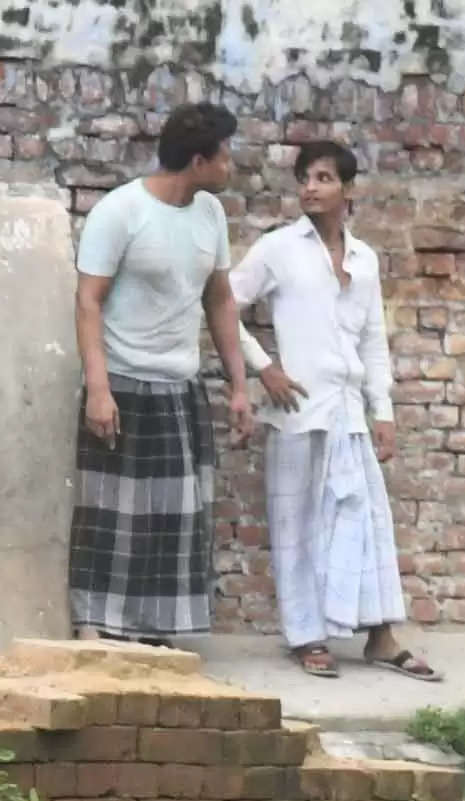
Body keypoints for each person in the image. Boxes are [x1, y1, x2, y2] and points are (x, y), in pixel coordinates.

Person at [72, 105, 280, 644]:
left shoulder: (209, 213)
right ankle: (98, 623)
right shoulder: (121, 212)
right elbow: (88, 301)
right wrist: (98, 388)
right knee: (113, 513)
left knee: (177, 516)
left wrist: (239, 386)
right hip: (122, 382)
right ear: (197, 160)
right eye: (224, 156)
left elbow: (220, 302)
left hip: (180, 387)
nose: (231, 165)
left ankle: (156, 629)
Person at [231, 141, 434, 683]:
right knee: (295, 525)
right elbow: (223, 306)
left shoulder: (364, 259)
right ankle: (307, 637)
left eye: (323, 178)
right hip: (297, 409)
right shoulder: (279, 249)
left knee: (366, 523)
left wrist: (382, 410)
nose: (310, 187)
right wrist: (262, 366)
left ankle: (381, 636)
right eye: (305, 178)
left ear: (347, 189)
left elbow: (372, 338)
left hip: (348, 411)